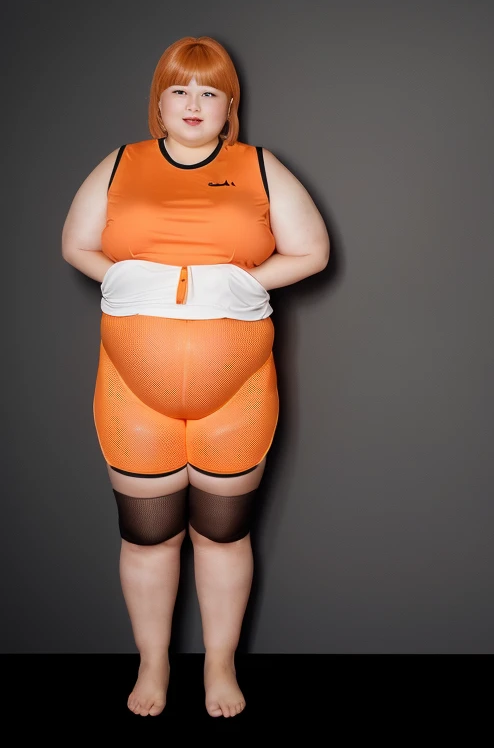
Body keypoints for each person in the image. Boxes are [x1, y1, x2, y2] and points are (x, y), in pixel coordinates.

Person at [62, 36, 330, 718]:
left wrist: (243, 281)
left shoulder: (261, 167)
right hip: (133, 395)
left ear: (229, 107)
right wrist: (130, 276)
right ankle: (152, 666)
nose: (193, 103)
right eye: (180, 90)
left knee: (223, 535)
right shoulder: (121, 164)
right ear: (158, 102)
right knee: (148, 538)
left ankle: (218, 667)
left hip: (236, 395)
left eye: (210, 92)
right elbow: (75, 244)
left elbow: (313, 250)